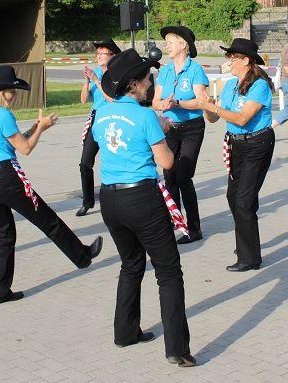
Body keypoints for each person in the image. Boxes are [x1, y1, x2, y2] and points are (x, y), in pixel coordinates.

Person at [92, 48, 195, 366]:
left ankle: (125, 332)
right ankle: (177, 348)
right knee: (168, 271)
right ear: (135, 85)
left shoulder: (103, 113)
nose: (151, 82)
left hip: (109, 198)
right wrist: (162, 131)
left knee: (131, 264)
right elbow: (166, 162)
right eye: (148, 78)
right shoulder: (145, 116)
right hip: (141, 198)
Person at [0, 66, 103, 304]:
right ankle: (82, 256)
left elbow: (10, 142)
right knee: (47, 219)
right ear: (2, 92)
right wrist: (41, 128)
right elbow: (25, 148)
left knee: (4, 233)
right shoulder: (3, 115)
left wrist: (33, 127)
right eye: (12, 90)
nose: (15, 94)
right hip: (5, 178)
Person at [198, 39, 275, 272]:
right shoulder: (230, 84)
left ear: (246, 60)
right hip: (236, 145)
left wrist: (215, 109)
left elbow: (242, 118)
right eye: (229, 57)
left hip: (257, 144)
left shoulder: (259, 85)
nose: (229, 62)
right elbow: (214, 118)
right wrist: (207, 107)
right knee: (235, 197)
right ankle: (247, 243)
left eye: (233, 58)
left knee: (243, 200)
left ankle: (250, 257)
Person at [152, 26, 209, 244]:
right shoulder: (165, 71)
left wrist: (178, 103)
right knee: (169, 176)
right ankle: (176, 223)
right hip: (169, 128)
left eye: (170, 41)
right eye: (166, 42)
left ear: (183, 45)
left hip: (192, 128)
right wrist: (163, 104)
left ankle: (194, 229)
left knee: (184, 176)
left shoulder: (195, 70)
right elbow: (155, 101)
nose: (167, 45)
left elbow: (200, 101)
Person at [76, 38, 121, 217]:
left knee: (114, 161)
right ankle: (88, 201)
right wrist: (87, 81)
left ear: (113, 56)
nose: (99, 56)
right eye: (98, 53)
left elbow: (111, 98)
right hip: (95, 119)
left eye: (103, 53)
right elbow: (83, 99)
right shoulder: (94, 72)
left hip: (112, 120)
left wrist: (96, 80)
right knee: (85, 163)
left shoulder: (116, 75)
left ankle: (118, 198)